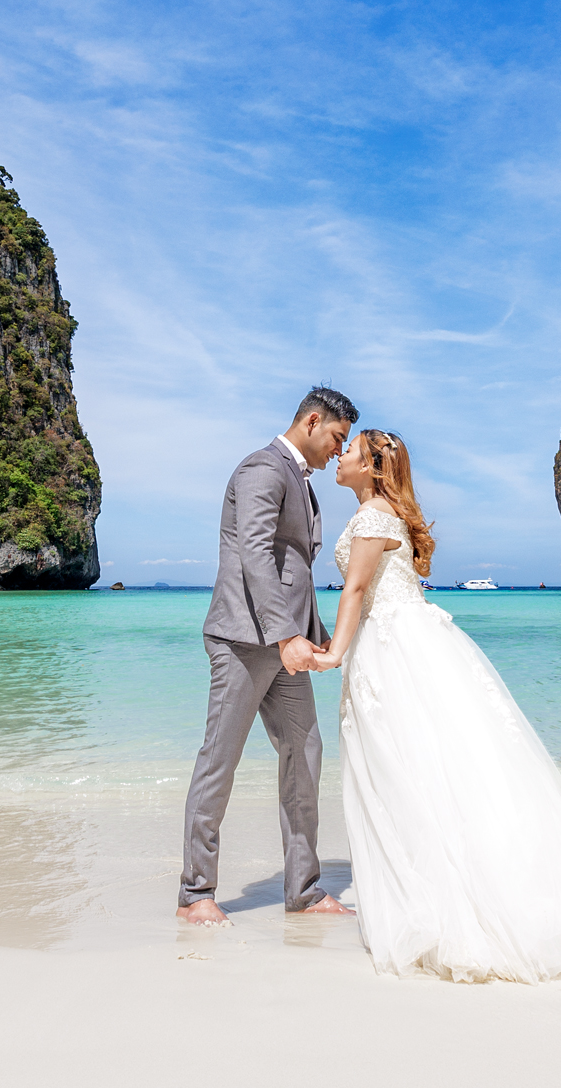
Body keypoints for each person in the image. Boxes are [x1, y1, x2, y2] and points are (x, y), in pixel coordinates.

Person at [310, 429, 561, 981]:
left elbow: (353, 592)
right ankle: (433, 897)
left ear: (372, 467)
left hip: (392, 651)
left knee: (403, 774)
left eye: (348, 452)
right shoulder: (380, 514)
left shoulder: (373, 517)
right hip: (406, 644)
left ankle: (439, 910)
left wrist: (331, 654)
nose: (338, 459)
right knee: (425, 770)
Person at [176, 386, 360, 925]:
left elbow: (293, 569)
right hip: (242, 641)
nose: (337, 451)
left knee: (306, 754)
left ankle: (302, 890)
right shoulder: (262, 468)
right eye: (336, 437)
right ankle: (195, 894)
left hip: (286, 646)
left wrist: (315, 634)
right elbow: (254, 553)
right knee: (220, 761)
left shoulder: (300, 482)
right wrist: (285, 636)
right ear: (311, 420)